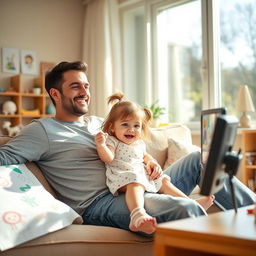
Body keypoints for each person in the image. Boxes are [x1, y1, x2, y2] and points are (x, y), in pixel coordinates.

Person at [0, 61, 254, 236]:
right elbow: (5, 156)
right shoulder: (42, 131)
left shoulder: (101, 122)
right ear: (55, 94)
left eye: (86, 86)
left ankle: (252, 214)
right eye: (75, 86)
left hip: (139, 182)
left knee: (200, 158)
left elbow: (131, 149)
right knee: (185, 208)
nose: (85, 92)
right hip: (100, 203)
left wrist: (150, 161)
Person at [95, 92, 214, 234]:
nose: (131, 129)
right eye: (125, 124)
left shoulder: (138, 143)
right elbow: (108, 158)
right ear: (112, 127)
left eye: (136, 126)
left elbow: (145, 156)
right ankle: (137, 214)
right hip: (122, 177)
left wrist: (152, 163)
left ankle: (190, 203)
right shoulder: (113, 141)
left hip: (141, 175)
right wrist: (101, 146)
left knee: (163, 181)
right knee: (135, 182)